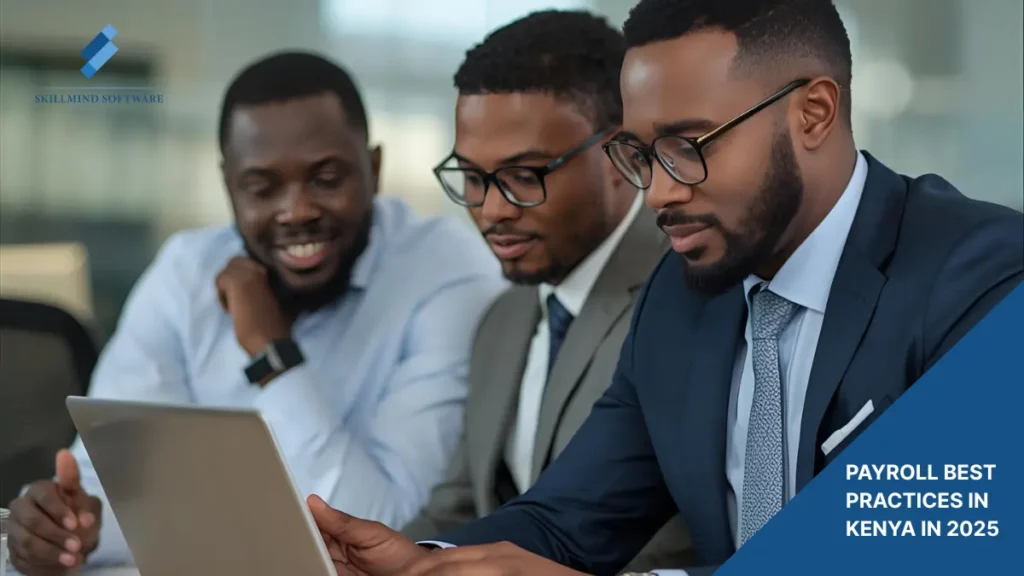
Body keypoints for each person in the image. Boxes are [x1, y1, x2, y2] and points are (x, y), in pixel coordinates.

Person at [305, 0, 1024, 574]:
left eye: (688, 147)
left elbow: (924, 550)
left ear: (813, 113)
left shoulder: (982, 274)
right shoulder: (682, 299)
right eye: (641, 155)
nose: (656, 194)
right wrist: (428, 563)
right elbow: (567, 519)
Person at [5, 51, 507, 574]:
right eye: (262, 188)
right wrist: (66, 529)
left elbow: (388, 531)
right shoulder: (185, 272)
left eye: (327, 178)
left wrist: (272, 356)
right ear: (229, 186)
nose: (297, 211)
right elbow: (115, 493)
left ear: (374, 169)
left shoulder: (445, 272)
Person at [400, 9, 693, 571]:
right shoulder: (503, 318)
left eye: (524, 176)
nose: (491, 210)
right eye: (473, 177)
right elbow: (458, 507)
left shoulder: (689, 296)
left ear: (622, 156)